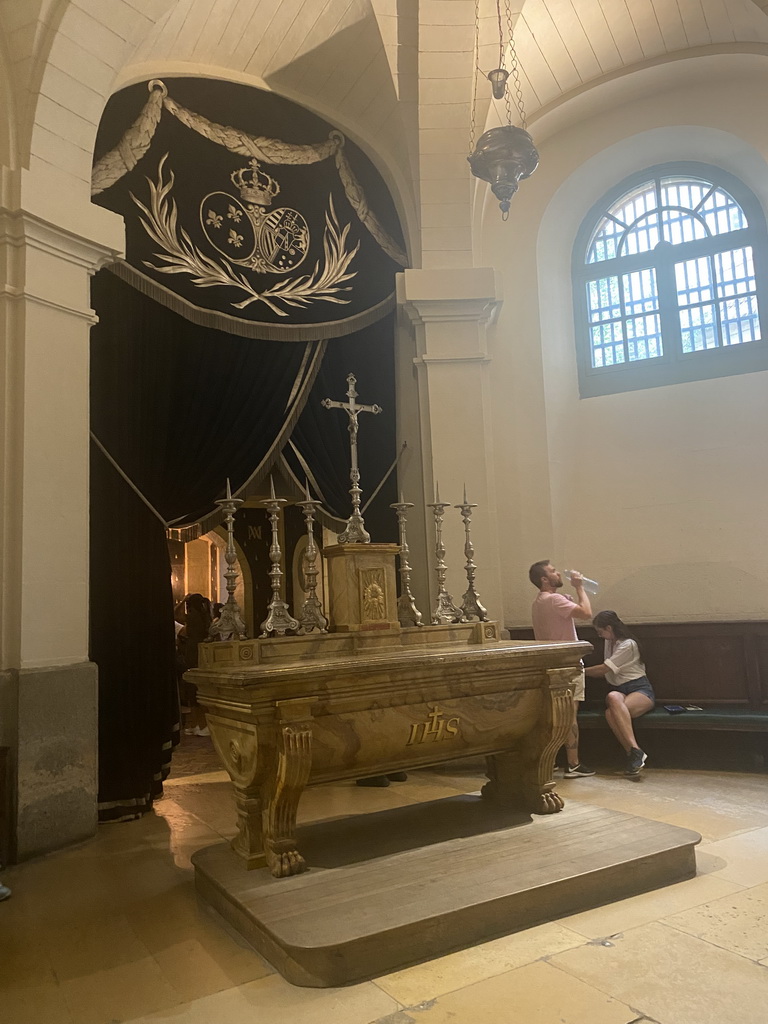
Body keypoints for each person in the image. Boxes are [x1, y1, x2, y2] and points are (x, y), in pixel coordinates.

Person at [529, 560, 595, 777]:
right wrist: (579, 587)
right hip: (568, 665)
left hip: (550, 664)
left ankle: (550, 761)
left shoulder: (539, 602)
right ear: (544, 579)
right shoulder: (555, 600)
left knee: (554, 715)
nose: (559, 573)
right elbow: (586, 612)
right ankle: (574, 763)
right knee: (569, 715)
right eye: (553, 571)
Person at [585, 610, 655, 776]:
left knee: (611, 714)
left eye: (600, 631)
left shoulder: (628, 644)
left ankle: (633, 753)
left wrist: (578, 671)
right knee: (612, 697)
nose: (600, 635)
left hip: (639, 689)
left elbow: (604, 669)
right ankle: (635, 752)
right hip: (618, 690)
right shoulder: (610, 642)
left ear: (609, 628)